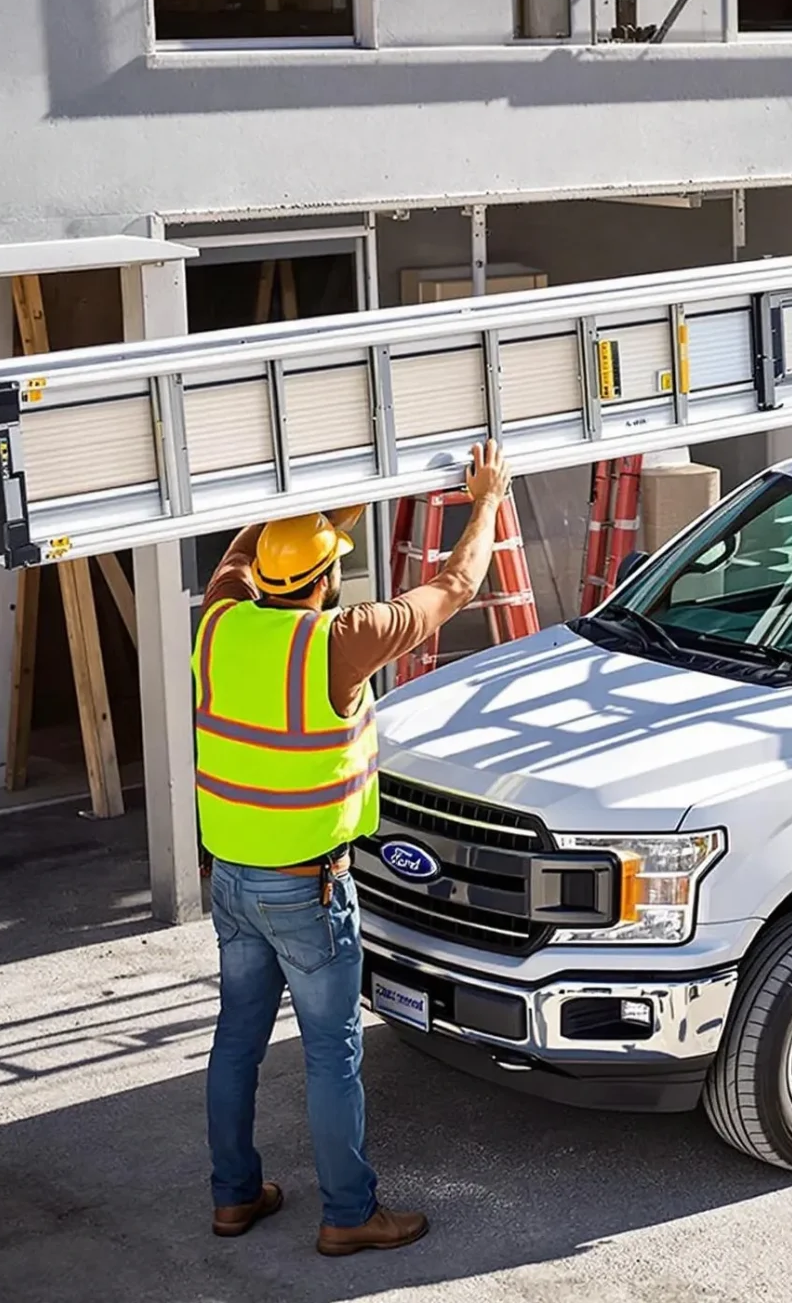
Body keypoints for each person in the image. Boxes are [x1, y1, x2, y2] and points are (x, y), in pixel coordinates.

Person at [196, 439, 510, 1254]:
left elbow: (244, 548)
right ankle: (348, 1213)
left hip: (232, 878)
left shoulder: (220, 620)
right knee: (331, 1056)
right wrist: (485, 499)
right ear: (326, 581)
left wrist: (316, 497)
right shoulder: (338, 641)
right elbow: (456, 585)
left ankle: (234, 1197)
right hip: (309, 890)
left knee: (236, 1038)